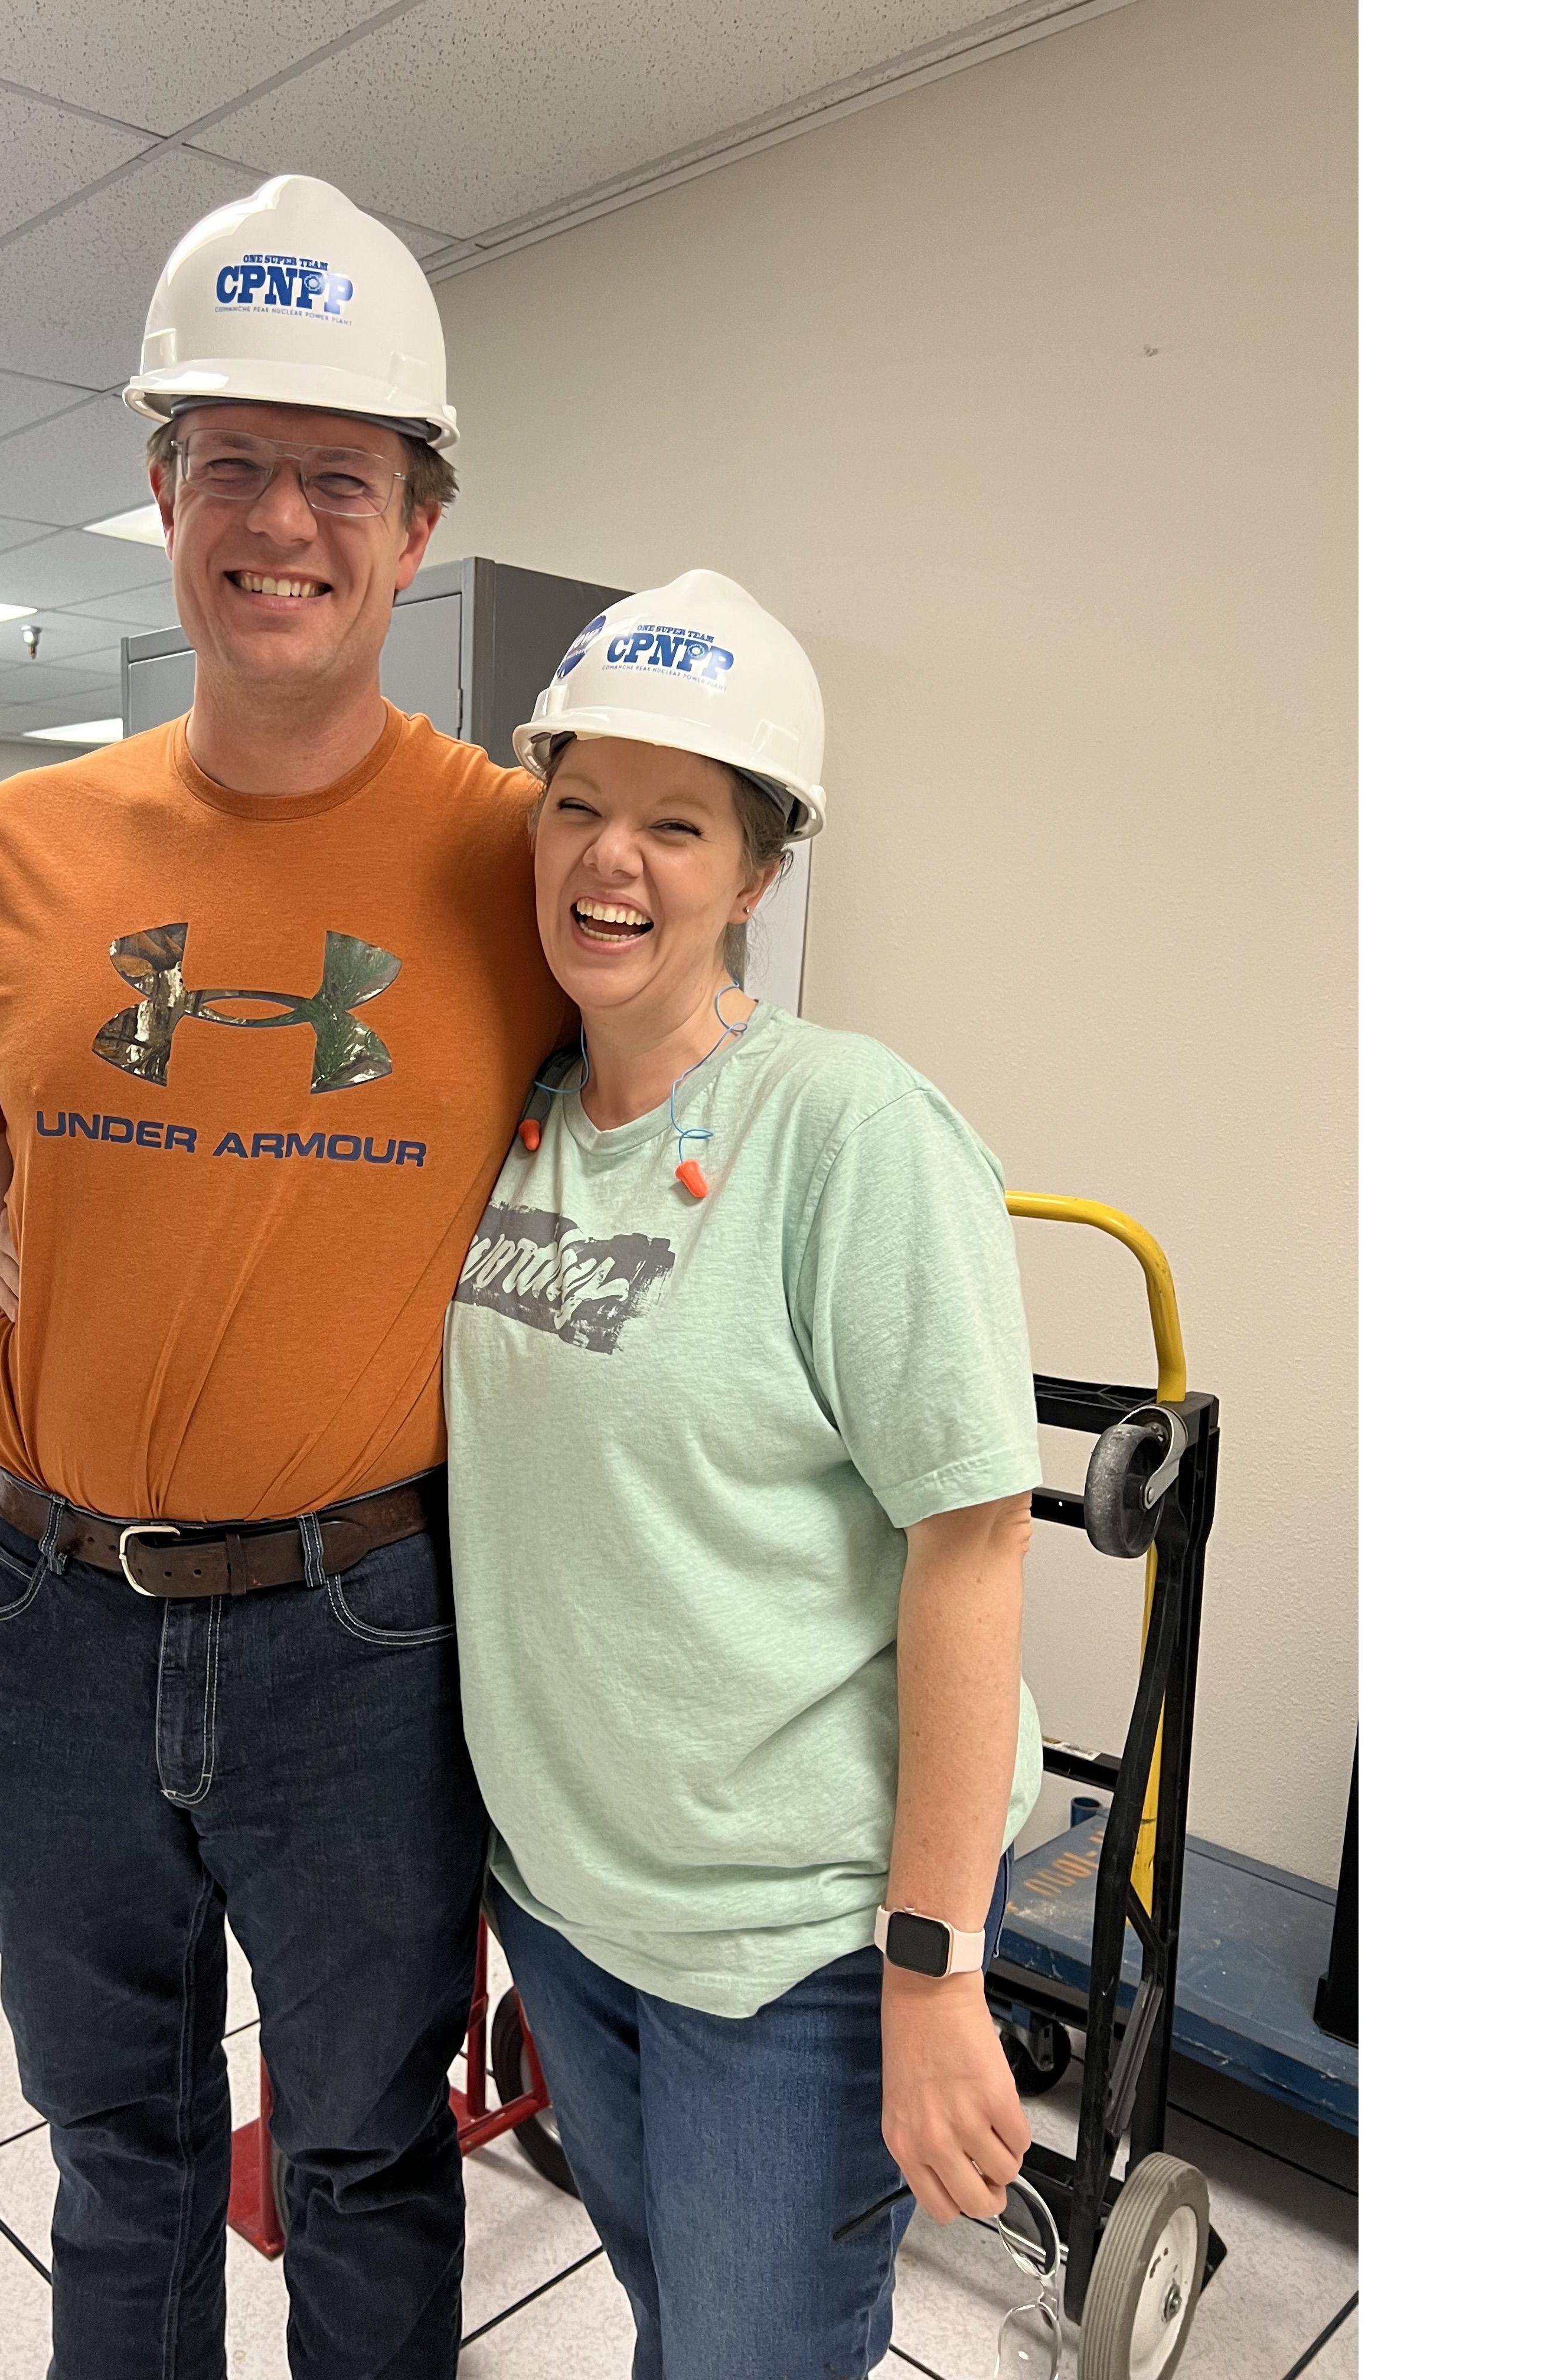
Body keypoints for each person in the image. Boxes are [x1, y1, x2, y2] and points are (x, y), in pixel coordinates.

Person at [0, 174, 564, 2380]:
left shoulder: (515, 861)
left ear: (418, 519)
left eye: (339, 473)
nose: (284, 520)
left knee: (360, 2153)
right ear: (159, 489)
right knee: (121, 2148)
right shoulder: (26, 851)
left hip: (373, 1638)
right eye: (233, 464)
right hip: (53, 1623)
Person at [443, 570, 1044, 2377]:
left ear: (758, 875)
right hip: (567, 1899)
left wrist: (932, 1965)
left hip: (790, 1943)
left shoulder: (848, 1126)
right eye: (577, 806)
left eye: (677, 825)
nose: (609, 862)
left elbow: (976, 1539)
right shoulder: (522, 1115)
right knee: (676, 2320)